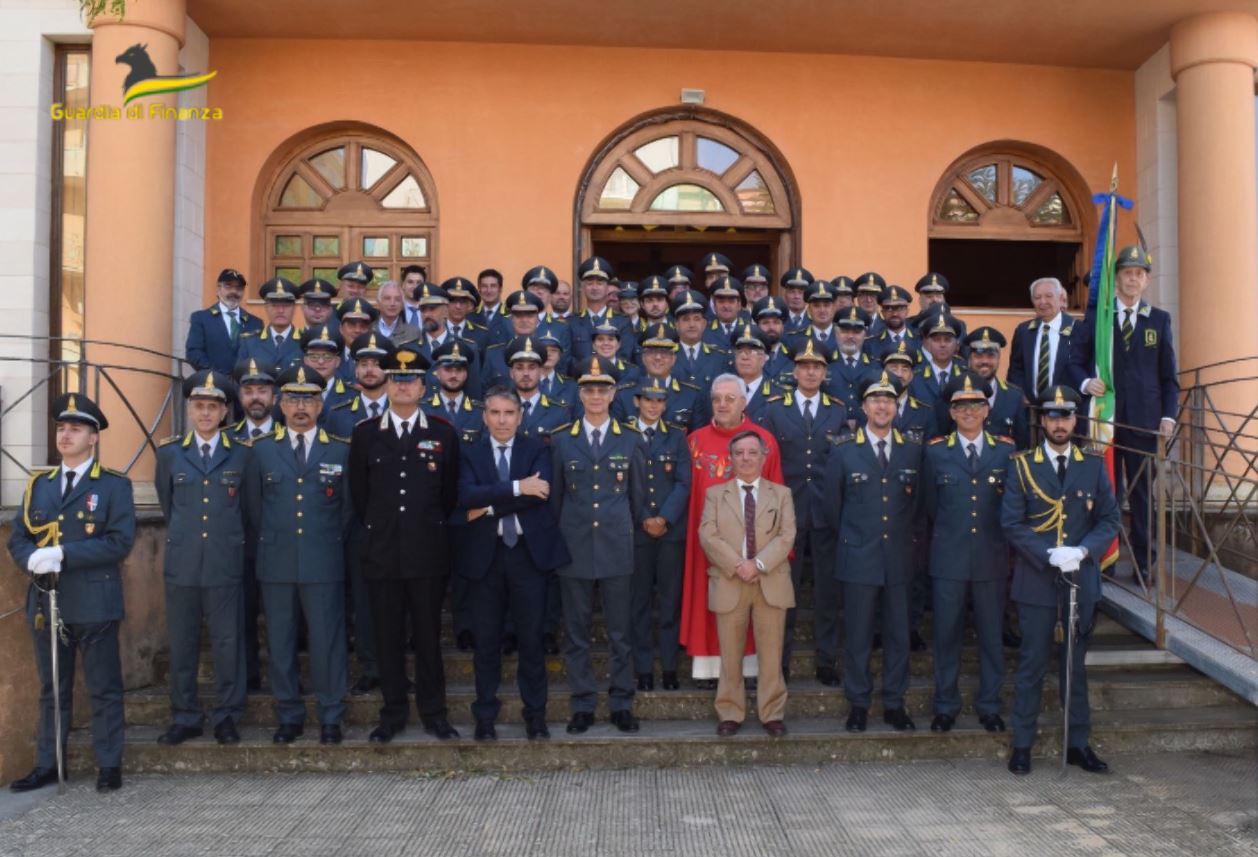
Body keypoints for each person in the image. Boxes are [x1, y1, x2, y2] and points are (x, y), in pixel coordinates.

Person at [7, 394, 135, 793]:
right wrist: (32, 559)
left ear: (93, 438)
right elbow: (18, 538)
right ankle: (48, 763)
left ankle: (109, 765)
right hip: (47, 604)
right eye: (61, 428)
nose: (65, 435)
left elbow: (119, 542)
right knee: (52, 689)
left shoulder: (113, 486)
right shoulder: (38, 486)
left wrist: (63, 553)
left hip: (95, 602)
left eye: (75, 429)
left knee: (103, 688)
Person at [1002, 386, 1120, 776]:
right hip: (1036, 579)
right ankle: (1022, 745)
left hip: (1080, 579)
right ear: (1043, 421)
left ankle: (1078, 744)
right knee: (1032, 664)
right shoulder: (1022, 465)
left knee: (1075, 667)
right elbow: (1011, 523)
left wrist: (1083, 552)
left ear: (1074, 420)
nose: (1059, 423)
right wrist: (1046, 554)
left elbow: (1108, 520)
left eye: (1066, 416)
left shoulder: (1093, 463)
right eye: (1052, 416)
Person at [348, 344, 460, 742]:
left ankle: (435, 713)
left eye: (410, 380)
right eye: (396, 379)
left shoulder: (443, 432)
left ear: (423, 386)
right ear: (388, 383)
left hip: (427, 553)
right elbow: (360, 497)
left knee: (429, 639)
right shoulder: (364, 435)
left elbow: (448, 496)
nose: (403, 386)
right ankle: (392, 713)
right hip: (382, 553)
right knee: (387, 638)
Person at [451, 387, 571, 740]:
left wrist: (488, 506)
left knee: (532, 642)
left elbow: (542, 494)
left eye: (509, 413)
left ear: (520, 416)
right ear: (484, 416)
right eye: (495, 413)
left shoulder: (537, 448)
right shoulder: (469, 452)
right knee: (486, 643)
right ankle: (484, 717)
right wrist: (520, 488)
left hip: (527, 557)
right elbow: (465, 495)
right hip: (485, 560)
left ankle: (535, 715)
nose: (502, 420)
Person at [242, 365, 351, 745]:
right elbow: (254, 511)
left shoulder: (339, 450)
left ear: (321, 406)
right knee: (281, 642)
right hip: (277, 562)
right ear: (280, 405)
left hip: (324, 562)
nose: (301, 407)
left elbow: (348, 511)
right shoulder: (261, 451)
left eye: (308, 400)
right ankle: (288, 714)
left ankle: (331, 715)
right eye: (293, 400)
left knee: (327, 642)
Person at [549, 356, 647, 734]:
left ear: (612, 395)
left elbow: (636, 500)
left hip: (616, 546)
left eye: (602, 389)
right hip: (574, 546)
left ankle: (622, 702)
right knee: (576, 632)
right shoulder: (561, 439)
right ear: (580, 394)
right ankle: (583, 703)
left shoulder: (631, 439)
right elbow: (556, 499)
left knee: (620, 632)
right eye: (588, 389)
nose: (595, 395)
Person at [1071, 245, 1178, 583]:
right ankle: (1105, 561)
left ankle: (1145, 565)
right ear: (1116, 279)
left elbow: (1168, 376)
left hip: (1145, 424)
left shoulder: (1159, 319)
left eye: (1139, 274)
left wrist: (1168, 416)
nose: (1133, 279)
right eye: (1127, 273)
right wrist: (1087, 382)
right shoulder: (1098, 319)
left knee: (1144, 496)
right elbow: (1074, 362)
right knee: (1106, 493)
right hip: (1105, 420)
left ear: (1146, 281)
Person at [825, 371, 923, 733]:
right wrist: (856, 538)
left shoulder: (914, 448)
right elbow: (832, 507)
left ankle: (895, 703)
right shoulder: (843, 450)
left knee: (898, 635)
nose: (882, 406)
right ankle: (859, 703)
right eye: (875, 400)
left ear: (897, 406)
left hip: (898, 558)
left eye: (888, 400)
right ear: (864, 406)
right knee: (859, 635)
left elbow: (919, 507)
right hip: (858, 557)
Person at [154, 370, 248, 746]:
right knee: (183, 644)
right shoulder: (169, 453)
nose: (206, 413)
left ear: (225, 412)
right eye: (199, 406)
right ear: (189, 409)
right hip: (183, 563)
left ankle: (227, 716)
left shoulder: (242, 454)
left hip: (225, 562)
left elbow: (249, 509)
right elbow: (167, 504)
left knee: (228, 644)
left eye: (213, 406)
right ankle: (185, 716)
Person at [922, 372, 1015, 734]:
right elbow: (929, 507)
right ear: (951, 411)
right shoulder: (934, 452)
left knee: (992, 637)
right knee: (946, 636)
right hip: (948, 559)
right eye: (961, 406)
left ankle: (989, 705)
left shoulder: (1005, 451)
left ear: (987, 409)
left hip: (991, 559)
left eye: (976, 404)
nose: (969, 411)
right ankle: (945, 705)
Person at [681, 374, 784, 687]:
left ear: (744, 403)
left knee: (751, 601)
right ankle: (708, 669)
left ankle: (749, 668)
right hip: (707, 543)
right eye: (717, 399)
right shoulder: (694, 440)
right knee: (709, 602)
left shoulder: (763, 441)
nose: (722, 404)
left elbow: (777, 493)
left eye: (730, 398)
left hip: (753, 541)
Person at [756, 339, 847, 684]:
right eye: (805, 366)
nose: (811, 372)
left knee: (826, 591)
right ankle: (779, 660)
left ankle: (826, 660)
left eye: (818, 367)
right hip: (784, 513)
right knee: (782, 591)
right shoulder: (774, 409)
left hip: (825, 512)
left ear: (825, 373)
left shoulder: (837, 411)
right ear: (794, 371)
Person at [700, 430, 796, 737]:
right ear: (731, 458)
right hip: (730, 581)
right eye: (739, 453)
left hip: (770, 581)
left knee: (771, 654)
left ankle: (772, 713)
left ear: (763, 457)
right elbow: (708, 534)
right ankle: (730, 711)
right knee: (731, 655)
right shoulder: (716, 494)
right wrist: (737, 565)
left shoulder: (781, 494)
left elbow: (786, 535)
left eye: (752, 452)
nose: (746, 458)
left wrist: (759, 564)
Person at [325, 333, 396, 695]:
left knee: (401, 596)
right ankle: (370, 665)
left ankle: (397, 664)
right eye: (364, 363)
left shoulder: (404, 410)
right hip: (353, 520)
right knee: (364, 597)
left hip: (398, 521)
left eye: (377, 362)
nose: (370, 369)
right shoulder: (337, 415)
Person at [626, 377, 693, 692]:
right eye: (647, 400)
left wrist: (664, 517)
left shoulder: (677, 437)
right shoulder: (624, 434)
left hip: (670, 532)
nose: (653, 406)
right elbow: (624, 482)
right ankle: (643, 669)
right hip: (637, 532)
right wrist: (644, 518)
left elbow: (684, 482)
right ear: (637, 401)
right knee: (638, 604)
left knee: (670, 603)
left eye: (659, 401)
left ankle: (668, 667)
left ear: (665, 404)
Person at [229, 358, 276, 690]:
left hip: (281, 541)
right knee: (243, 615)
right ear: (239, 396)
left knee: (282, 618)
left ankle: (283, 676)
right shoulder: (227, 440)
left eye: (262, 390)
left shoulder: (290, 436)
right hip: (239, 543)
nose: (255, 397)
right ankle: (247, 674)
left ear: (273, 396)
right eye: (248, 391)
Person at [949, 327, 1030, 449]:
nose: (984, 361)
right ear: (969, 359)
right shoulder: (953, 392)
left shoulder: (1014, 395)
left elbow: (1021, 442)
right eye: (978, 356)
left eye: (990, 356)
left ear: (998, 359)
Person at [1007, 277, 1077, 401]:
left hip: (1064, 408)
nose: (1043, 302)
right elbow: (1016, 370)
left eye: (1049, 296)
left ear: (1060, 298)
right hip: (1030, 407)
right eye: (1037, 298)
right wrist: (1020, 395)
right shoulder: (1023, 331)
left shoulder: (1078, 329)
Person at [186, 268, 262, 372]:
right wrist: (218, 376)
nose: (234, 291)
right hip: (212, 384)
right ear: (218, 289)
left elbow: (259, 355)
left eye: (239, 288)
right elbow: (194, 353)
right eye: (228, 286)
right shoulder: (201, 319)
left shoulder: (255, 323)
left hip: (244, 385)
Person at [236, 277, 303, 371]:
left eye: (286, 305)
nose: (280, 311)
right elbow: (241, 378)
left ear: (294, 308)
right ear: (266, 307)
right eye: (275, 305)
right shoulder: (249, 343)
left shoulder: (305, 342)